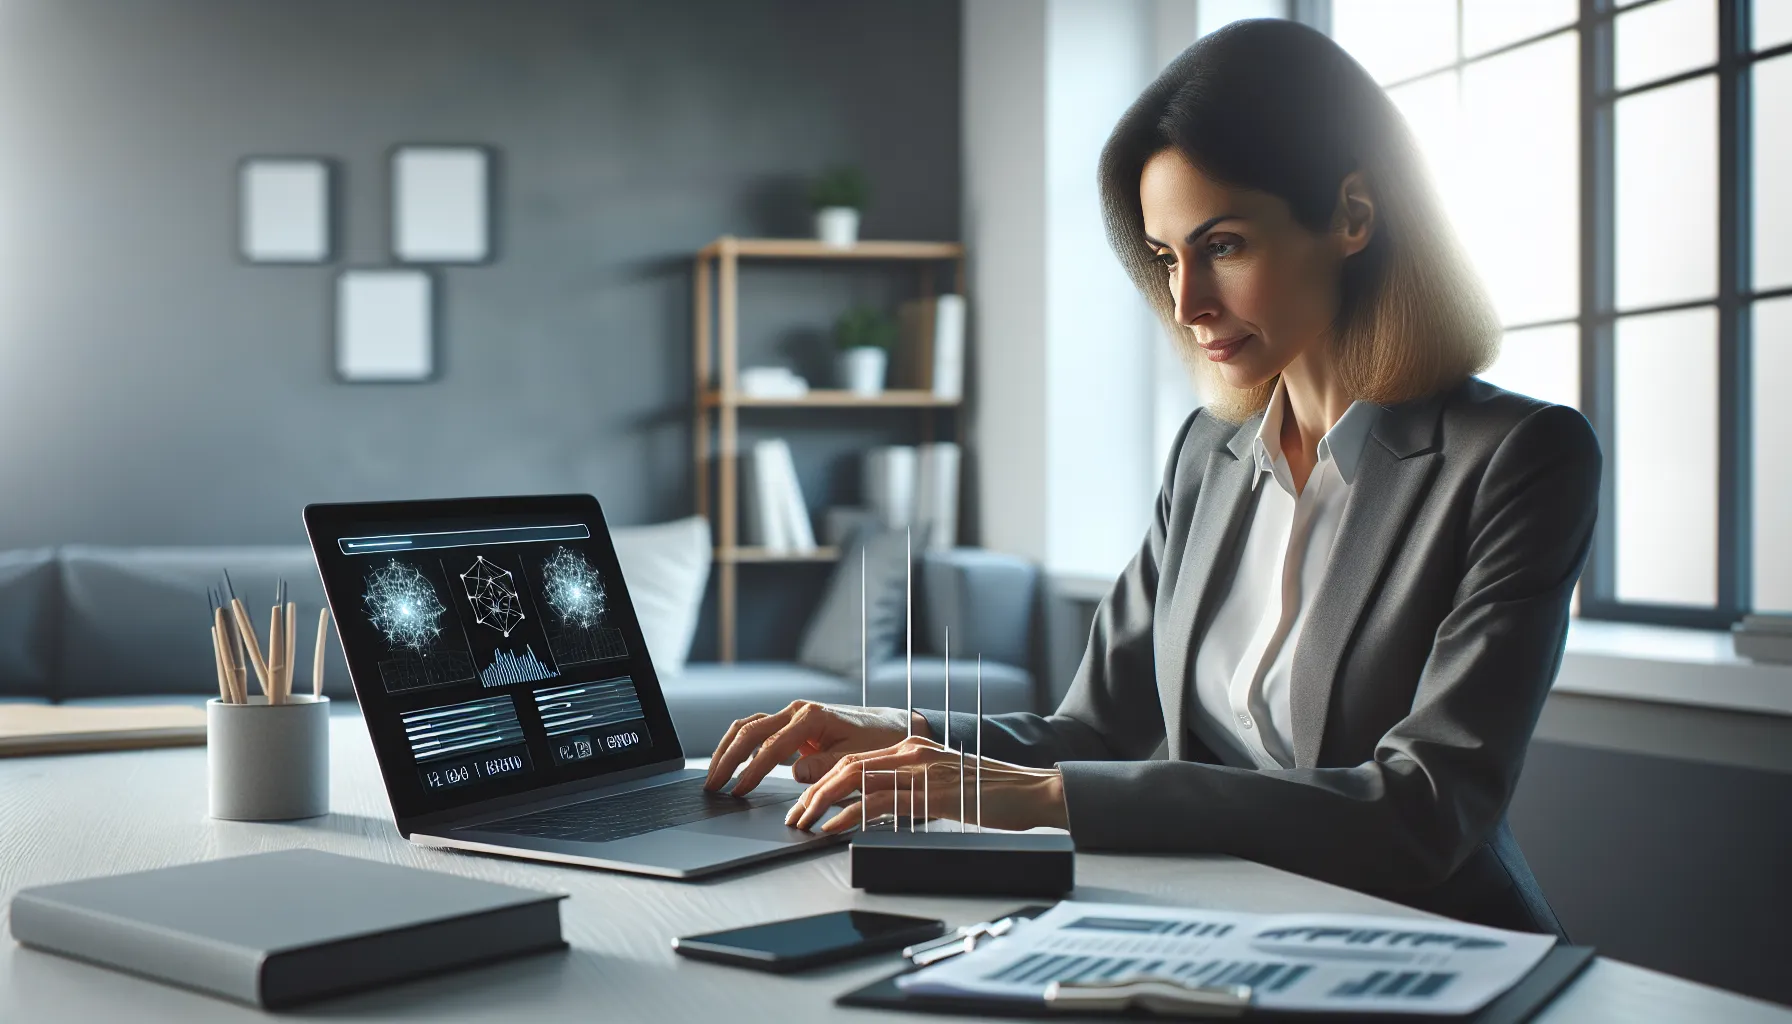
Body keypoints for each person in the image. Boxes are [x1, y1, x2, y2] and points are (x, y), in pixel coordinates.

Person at [705, 18, 1598, 937]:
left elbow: (1423, 812)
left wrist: (1038, 798)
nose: (1184, 303)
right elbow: (1093, 733)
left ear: (1353, 215)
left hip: (1431, 948)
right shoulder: (1207, 455)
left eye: (1224, 245)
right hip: (1218, 928)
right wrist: (905, 737)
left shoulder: (1521, 459)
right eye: (1168, 257)